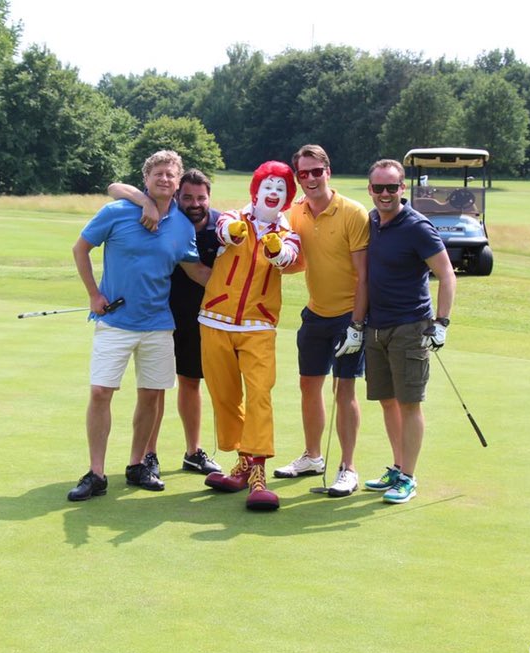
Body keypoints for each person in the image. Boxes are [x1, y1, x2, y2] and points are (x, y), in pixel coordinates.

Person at [67, 150, 210, 502]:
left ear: (177, 184)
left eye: (170, 175)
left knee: (151, 395)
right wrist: (93, 294)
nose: (164, 179)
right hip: (115, 321)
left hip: (158, 325)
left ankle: (136, 464)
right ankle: (97, 473)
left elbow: (196, 270)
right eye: (158, 173)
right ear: (146, 179)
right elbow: (80, 249)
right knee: (101, 392)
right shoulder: (116, 212)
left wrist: (245, 279)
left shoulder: (181, 225)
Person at [198, 161, 301, 511]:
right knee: (224, 395)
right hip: (215, 319)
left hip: (259, 325)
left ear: (288, 198)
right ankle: (243, 462)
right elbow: (224, 232)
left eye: (282, 189)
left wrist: (276, 250)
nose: (273, 193)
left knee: (259, 394)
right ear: (256, 189)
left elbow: (287, 258)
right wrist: (235, 233)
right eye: (269, 186)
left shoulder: (289, 233)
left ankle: (257, 472)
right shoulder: (231, 217)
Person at [106, 170, 223, 476]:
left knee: (190, 382)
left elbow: (206, 272)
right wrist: (143, 199)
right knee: (154, 388)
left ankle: (193, 452)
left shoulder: (223, 227)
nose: (195, 203)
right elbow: (114, 186)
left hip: (197, 318)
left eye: (201, 197)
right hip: (157, 315)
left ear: (209, 197)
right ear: (176, 196)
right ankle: (149, 455)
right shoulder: (161, 214)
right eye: (187, 197)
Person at [272, 144, 370, 498]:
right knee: (308, 385)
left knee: (344, 389)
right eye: (303, 174)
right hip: (316, 312)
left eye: (317, 171)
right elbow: (299, 260)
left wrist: (357, 327)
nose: (310, 179)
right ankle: (313, 457)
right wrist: (280, 259)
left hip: (349, 315)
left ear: (328, 171)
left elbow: (364, 275)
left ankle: (348, 467)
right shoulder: (296, 212)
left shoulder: (353, 213)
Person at [361, 159, 456, 504]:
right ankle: (398, 467)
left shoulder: (418, 227)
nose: (385, 194)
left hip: (410, 326)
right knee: (387, 401)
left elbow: (446, 274)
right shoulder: (371, 221)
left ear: (403, 189)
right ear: (370, 189)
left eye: (392, 187)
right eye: (378, 188)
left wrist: (441, 323)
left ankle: (409, 478)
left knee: (409, 403)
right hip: (376, 326)